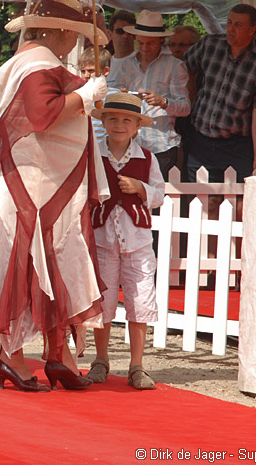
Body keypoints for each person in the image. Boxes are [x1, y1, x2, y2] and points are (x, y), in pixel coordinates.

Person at [0, 0, 108, 393]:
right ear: (63, 31)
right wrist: (85, 95)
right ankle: (13, 356)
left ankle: (56, 352)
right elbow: (42, 114)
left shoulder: (33, 62)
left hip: (45, 180)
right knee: (29, 261)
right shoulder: (37, 64)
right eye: (76, 35)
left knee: (53, 258)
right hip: (33, 182)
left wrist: (83, 93)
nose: (76, 42)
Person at [87, 92, 164, 390]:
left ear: (136, 127)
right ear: (104, 122)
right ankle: (101, 359)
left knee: (139, 298)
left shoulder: (147, 158)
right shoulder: (94, 154)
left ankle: (137, 364)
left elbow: (159, 194)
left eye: (127, 121)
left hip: (138, 241)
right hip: (103, 239)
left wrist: (140, 187)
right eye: (114, 119)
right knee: (104, 300)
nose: (120, 125)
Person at [183, 4, 256, 182]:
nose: (230, 29)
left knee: (240, 202)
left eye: (238, 25)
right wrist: (191, 96)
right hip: (199, 138)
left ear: (252, 30)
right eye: (229, 23)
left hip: (236, 144)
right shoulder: (209, 44)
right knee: (200, 202)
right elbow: (182, 68)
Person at [113, 10, 191, 179]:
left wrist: (163, 101)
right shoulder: (126, 65)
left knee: (157, 200)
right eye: (140, 43)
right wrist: (122, 97)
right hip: (130, 143)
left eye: (150, 44)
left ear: (161, 41)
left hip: (161, 144)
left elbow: (185, 108)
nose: (144, 48)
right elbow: (112, 99)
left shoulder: (175, 66)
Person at [106, 10, 137, 87]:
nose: (125, 36)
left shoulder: (141, 61)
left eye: (129, 32)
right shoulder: (105, 63)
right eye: (120, 31)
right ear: (110, 34)